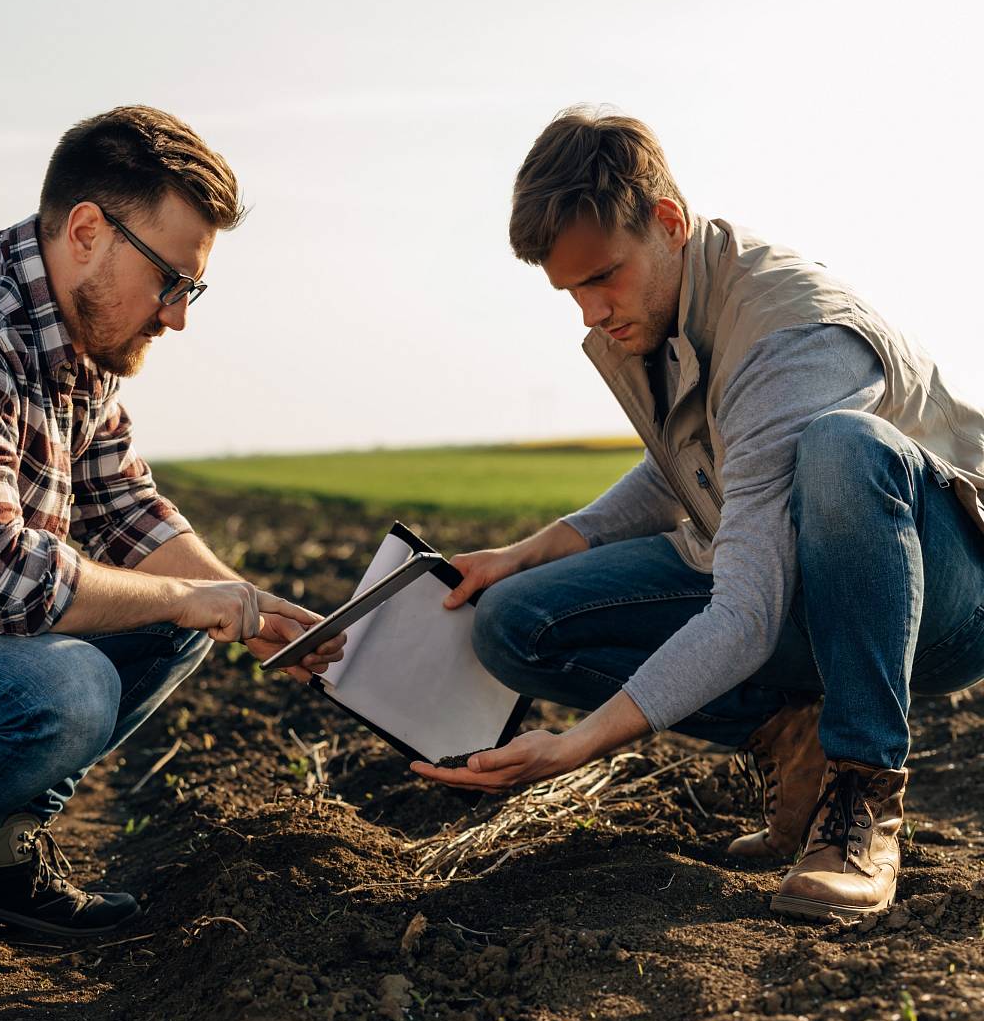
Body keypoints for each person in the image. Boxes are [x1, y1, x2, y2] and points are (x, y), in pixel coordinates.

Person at [0, 105, 343, 987]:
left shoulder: (81, 339)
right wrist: (187, 599)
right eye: (171, 281)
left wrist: (254, 610)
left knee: (177, 622)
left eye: (191, 290)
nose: (178, 316)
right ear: (88, 231)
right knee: (69, 684)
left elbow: (127, 506)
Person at [414, 108, 984, 923]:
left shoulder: (792, 334)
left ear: (668, 222)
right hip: (803, 578)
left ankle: (862, 796)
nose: (590, 311)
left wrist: (577, 746)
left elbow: (747, 612)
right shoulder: (665, 303)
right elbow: (684, 465)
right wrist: (531, 550)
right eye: (570, 291)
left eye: (601, 276)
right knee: (515, 620)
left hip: (946, 594)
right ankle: (796, 739)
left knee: (842, 449)